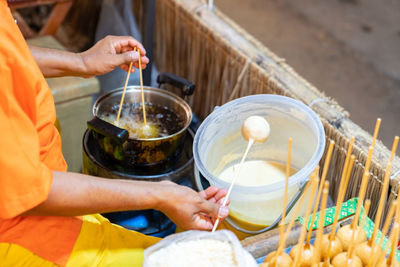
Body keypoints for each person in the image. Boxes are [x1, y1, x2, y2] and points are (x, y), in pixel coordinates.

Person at [0, 1, 229, 266]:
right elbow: (34, 191)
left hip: (49, 205)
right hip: (25, 236)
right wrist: (161, 195)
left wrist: (82, 62)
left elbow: (9, 54)